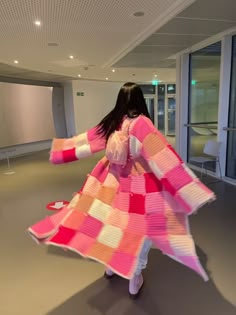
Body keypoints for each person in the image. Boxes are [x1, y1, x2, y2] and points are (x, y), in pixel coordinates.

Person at [28, 82, 215, 298]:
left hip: (110, 182)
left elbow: (86, 142)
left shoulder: (113, 121)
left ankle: (111, 266)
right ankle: (134, 278)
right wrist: (189, 187)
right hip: (139, 185)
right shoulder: (142, 123)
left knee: (110, 222)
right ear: (140, 99)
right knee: (139, 230)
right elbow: (161, 156)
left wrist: (61, 151)